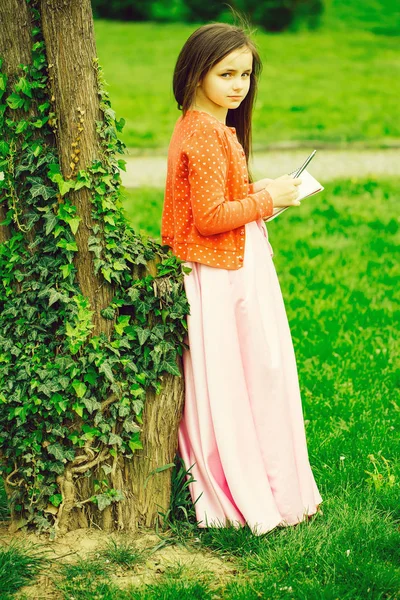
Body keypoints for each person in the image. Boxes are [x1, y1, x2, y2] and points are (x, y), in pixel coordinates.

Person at [161, 19, 323, 535]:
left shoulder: (208, 127)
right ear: (194, 74)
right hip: (223, 276)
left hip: (232, 265)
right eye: (226, 73)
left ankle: (265, 476)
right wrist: (267, 199)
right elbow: (209, 218)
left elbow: (219, 201)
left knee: (254, 373)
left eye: (246, 74)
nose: (238, 85)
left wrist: (263, 192)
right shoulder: (204, 134)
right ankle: (250, 484)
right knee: (246, 376)